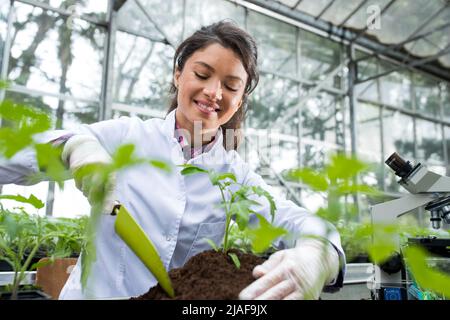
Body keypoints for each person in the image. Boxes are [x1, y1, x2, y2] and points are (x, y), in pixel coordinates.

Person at [0, 21, 345, 300]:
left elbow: (296, 219)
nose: (214, 92)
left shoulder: (234, 176)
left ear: (238, 102)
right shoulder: (128, 137)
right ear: (178, 75)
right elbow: (13, 158)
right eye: (202, 74)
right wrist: (72, 146)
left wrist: (319, 254)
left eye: (230, 85)